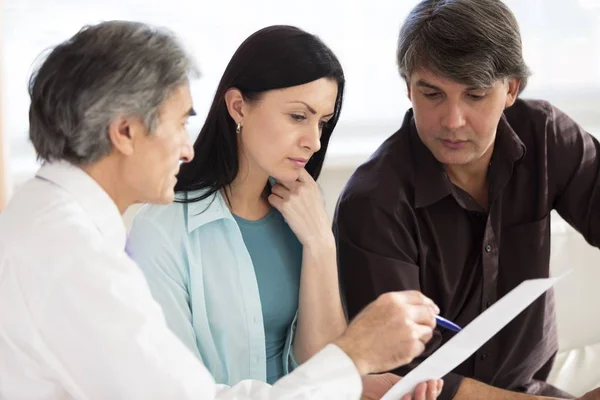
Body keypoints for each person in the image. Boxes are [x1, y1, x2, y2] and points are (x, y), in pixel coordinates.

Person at [0, 20, 442, 399]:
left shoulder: (48, 224)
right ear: (126, 131)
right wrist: (355, 354)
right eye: (178, 124)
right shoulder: (74, 256)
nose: (187, 149)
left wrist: (353, 379)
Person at [333, 1, 600, 399]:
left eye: (474, 95)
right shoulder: (373, 202)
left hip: (531, 389)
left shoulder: (544, 135)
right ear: (408, 86)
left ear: (511, 89)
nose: (453, 120)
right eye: (432, 94)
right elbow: (404, 378)